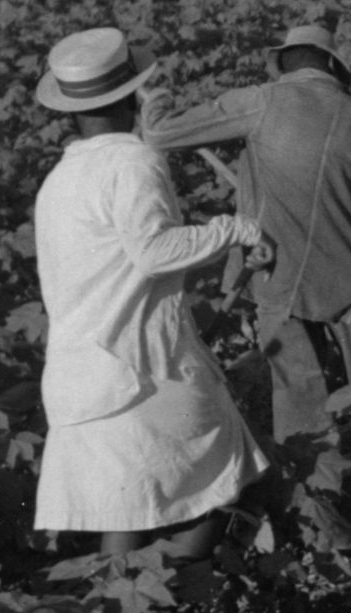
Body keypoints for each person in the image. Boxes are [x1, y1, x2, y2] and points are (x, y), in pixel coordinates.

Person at [32, 28, 272, 560]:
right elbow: (154, 252)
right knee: (219, 460)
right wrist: (234, 229)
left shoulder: (59, 180)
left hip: (80, 368)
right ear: (130, 95)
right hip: (139, 364)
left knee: (123, 506)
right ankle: (178, 593)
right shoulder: (132, 162)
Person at [140, 20, 351, 440]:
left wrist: (156, 99)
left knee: (299, 398)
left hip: (278, 269)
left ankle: (320, 480)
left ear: (283, 64)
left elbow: (160, 134)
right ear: (332, 65)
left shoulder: (260, 102)